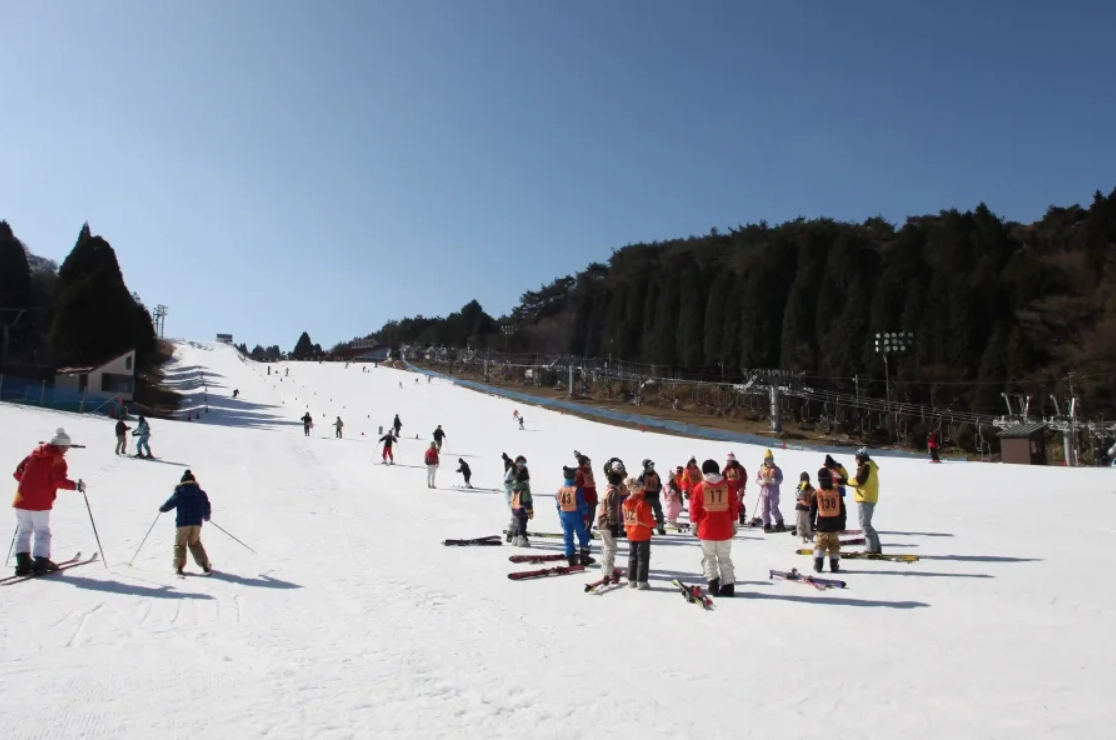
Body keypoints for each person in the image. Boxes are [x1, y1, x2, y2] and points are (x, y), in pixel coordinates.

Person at [11, 429, 83, 576]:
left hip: (21, 497)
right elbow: (58, 481)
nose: (66, 450)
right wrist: (76, 486)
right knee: (42, 531)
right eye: (66, 447)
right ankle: (41, 562)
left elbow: (18, 473)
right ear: (60, 446)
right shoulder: (58, 460)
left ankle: (23, 563)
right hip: (40, 500)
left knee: (24, 529)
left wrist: (29, 484)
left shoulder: (34, 454)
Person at [689, 459, 739, 597]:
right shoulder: (728, 486)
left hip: (706, 529)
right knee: (725, 558)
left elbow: (695, 508)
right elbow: (734, 505)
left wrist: (694, 524)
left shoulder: (700, 487)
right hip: (724, 528)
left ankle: (713, 585)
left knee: (709, 557)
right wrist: (734, 523)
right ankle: (729, 586)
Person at [159, 469, 213, 576]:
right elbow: (206, 506)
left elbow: (170, 503)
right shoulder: (201, 493)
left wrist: (163, 508)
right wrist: (206, 516)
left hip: (183, 523)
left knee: (180, 544)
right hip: (196, 523)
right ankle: (205, 565)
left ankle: (179, 567)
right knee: (195, 543)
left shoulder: (180, 492)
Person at [845, 448, 881, 554]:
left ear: (860, 458)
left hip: (865, 498)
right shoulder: (870, 465)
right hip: (869, 497)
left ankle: (871, 549)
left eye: (856, 459)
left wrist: (844, 481)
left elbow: (858, 481)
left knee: (865, 525)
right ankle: (875, 547)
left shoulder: (866, 467)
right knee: (867, 524)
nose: (855, 461)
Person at [810, 467, 847, 573]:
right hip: (835, 524)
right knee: (834, 545)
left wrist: (811, 523)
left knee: (820, 544)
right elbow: (842, 509)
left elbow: (812, 511)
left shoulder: (817, 493)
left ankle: (818, 563)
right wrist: (843, 522)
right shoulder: (837, 492)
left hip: (822, 524)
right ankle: (834, 564)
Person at [555, 466, 593, 568]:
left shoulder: (560, 489)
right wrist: (585, 517)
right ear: (574, 477)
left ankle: (570, 556)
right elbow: (582, 505)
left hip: (564, 515)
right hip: (576, 515)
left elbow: (558, 505)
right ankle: (584, 556)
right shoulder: (577, 490)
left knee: (568, 536)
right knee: (583, 534)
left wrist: (561, 517)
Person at [622, 477, 655, 589]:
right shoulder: (642, 503)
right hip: (642, 534)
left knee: (633, 556)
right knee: (643, 558)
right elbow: (648, 520)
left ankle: (631, 579)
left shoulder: (625, 503)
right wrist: (654, 524)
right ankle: (641, 581)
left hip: (631, 533)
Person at [596, 464, 624, 578]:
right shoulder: (613, 492)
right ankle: (608, 571)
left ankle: (606, 568)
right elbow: (611, 509)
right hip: (607, 522)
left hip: (601, 521)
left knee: (606, 546)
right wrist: (613, 524)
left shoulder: (607, 490)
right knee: (610, 547)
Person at [755, 449, 785, 532]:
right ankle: (766, 524)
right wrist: (762, 482)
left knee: (773, 508)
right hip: (764, 492)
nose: (769, 461)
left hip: (773, 492)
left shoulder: (776, 469)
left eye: (771, 459)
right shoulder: (761, 469)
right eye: (768, 459)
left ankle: (779, 522)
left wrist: (773, 481)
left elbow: (780, 479)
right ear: (764, 460)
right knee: (764, 509)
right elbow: (757, 479)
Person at [638, 459, 666, 536]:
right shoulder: (643, 475)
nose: (651, 468)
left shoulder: (656, 475)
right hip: (646, 497)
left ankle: (660, 527)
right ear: (646, 467)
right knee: (647, 513)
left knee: (659, 512)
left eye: (652, 466)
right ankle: (648, 528)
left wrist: (658, 488)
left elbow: (659, 484)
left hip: (655, 497)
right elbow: (638, 486)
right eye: (650, 466)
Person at [510, 457, 533, 547]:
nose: (522, 466)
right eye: (520, 464)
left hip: (515, 508)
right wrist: (530, 510)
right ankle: (521, 539)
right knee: (522, 524)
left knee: (519, 523)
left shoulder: (515, 487)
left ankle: (515, 539)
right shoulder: (523, 488)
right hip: (522, 509)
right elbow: (527, 500)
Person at [574, 452, 597, 533]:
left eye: (589, 462)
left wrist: (580, 457)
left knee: (592, 516)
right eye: (587, 463)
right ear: (583, 464)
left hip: (592, 496)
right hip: (585, 498)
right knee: (586, 516)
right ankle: (584, 532)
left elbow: (583, 461)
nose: (589, 464)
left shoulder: (589, 469)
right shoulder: (579, 472)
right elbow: (578, 487)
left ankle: (588, 530)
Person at [723, 452, 748, 525]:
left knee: (738, 503)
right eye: (727, 461)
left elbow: (744, 478)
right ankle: (730, 519)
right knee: (729, 504)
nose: (728, 462)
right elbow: (723, 477)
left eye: (729, 461)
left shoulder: (740, 468)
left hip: (738, 489)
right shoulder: (726, 469)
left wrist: (742, 487)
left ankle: (742, 516)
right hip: (729, 489)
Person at [795, 472, 815, 543]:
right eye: (803, 479)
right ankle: (801, 535)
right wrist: (803, 488)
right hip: (800, 507)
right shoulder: (799, 487)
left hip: (808, 508)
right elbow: (798, 496)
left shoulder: (811, 488)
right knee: (800, 522)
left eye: (806, 479)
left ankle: (809, 535)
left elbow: (814, 495)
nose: (805, 481)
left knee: (807, 523)